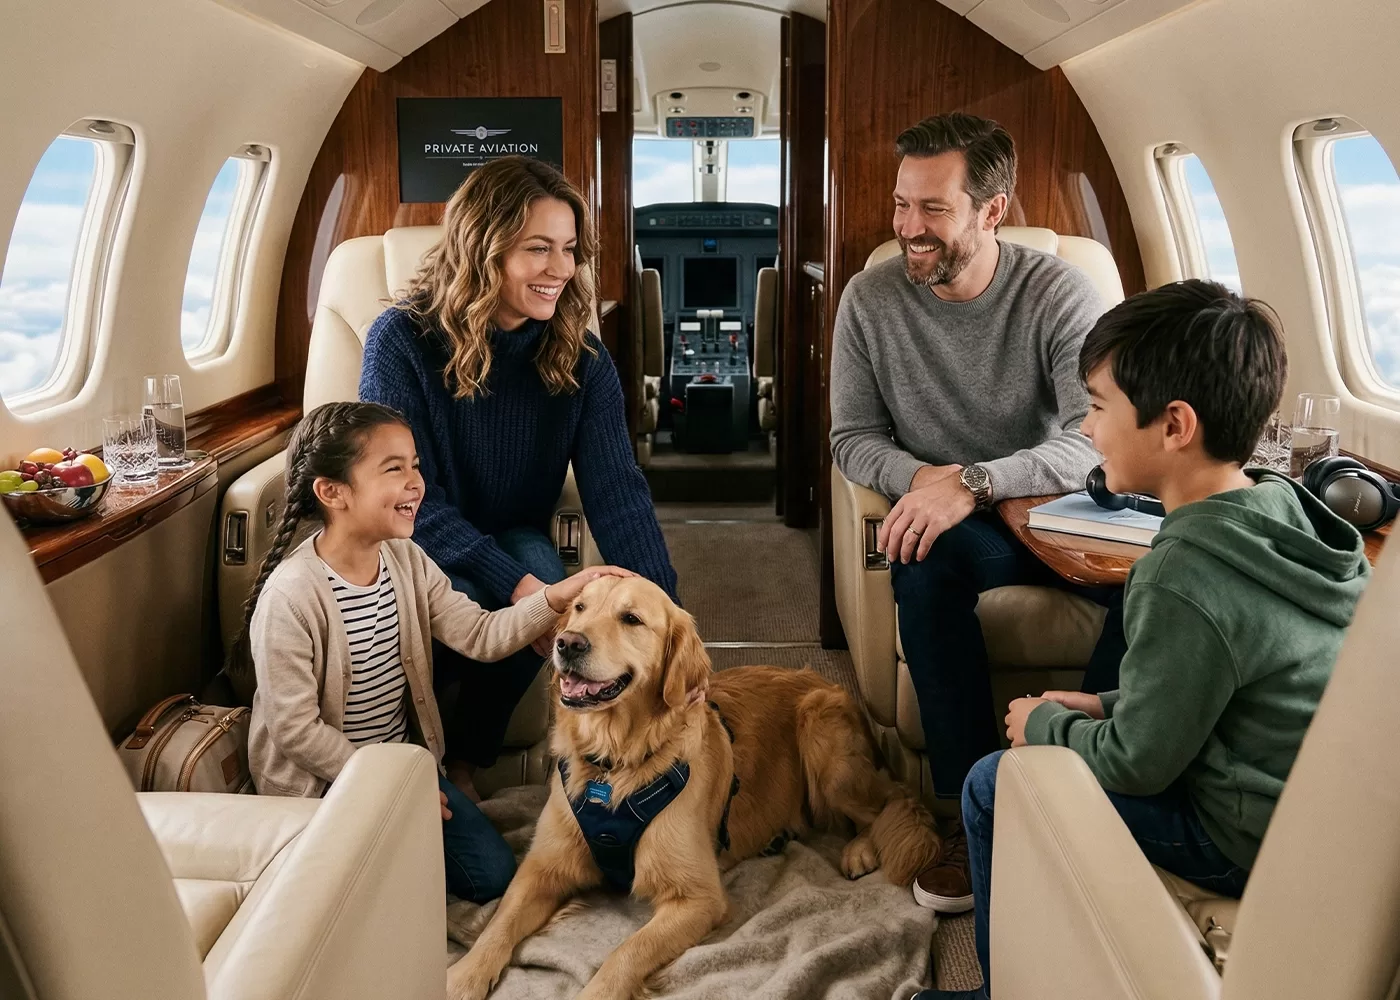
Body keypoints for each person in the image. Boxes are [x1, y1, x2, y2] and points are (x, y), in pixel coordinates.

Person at [915, 280, 1372, 1000]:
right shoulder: (1283, 508)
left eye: (1098, 407)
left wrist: (1048, 724)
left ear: (1174, 424)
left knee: (990, 783)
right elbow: (1230, 680)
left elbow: (1138, 767)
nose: (1088, 430)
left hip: (1241, 839)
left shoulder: (1179, 575)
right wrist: (1102, 703)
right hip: (1307, 815)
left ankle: (996, 992)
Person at [828, 111, 1124, 909]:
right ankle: (970, 816)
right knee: (921, 566)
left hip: (1060, 512)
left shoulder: (1060, 292)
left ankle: (1086, 786)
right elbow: (852, 439)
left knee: (1161, 579)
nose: (907, 229)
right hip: (958, 522)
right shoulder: (869, 299)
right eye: (901, 206)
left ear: (992, 210)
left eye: (932, 209)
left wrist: (980, 481)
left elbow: (1090, 436)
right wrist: (933, 482)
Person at [359, 156, 678, 799]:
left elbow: (616, 487)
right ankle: (401, 757)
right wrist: (524, 589)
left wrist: (663, 607)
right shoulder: (401, 340)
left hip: (512, 535)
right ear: (484, 249)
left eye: (568, 249)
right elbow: (404, 495)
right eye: (538, 249)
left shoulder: (582, 358)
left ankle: (467, 762)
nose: (560, 269)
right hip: (411, 539)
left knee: (542, 574)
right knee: (531, 586)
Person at [229, 401, 631, 903]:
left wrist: (553, 597)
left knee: (491, 875)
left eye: (415, 465)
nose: (416, 483)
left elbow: (481, 634)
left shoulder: (406, 558)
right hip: (327, 785)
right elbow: (297, 731)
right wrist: (392, 791)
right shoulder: (292, 597)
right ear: (332, 492)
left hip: (405, 773)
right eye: (393, 469)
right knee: (352, 892)